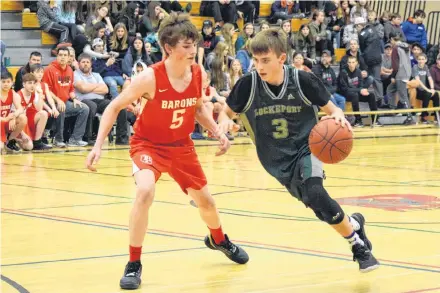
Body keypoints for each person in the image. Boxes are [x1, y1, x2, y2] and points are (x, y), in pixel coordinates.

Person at [85, 13, 249, 290]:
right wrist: (98, 146)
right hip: (148, 144)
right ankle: (134, 263)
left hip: (182, 146)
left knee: (207, 202)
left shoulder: (198, 73)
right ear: (168, 48)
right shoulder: (149, 77)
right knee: (145, 190)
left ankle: (218, 239)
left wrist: (217, 131)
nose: (192, 50)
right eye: (185, 46)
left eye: (193, 44)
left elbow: (197, 108)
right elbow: (113, 107)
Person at [218, 28, 380, 272]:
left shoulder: (303, 80)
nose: (259, 66)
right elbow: (225, 113)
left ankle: (358, 247)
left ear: (281, 58)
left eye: (265, 60)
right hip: (274, 160)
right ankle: (353, 223)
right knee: (318, 206)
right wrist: (224, 124)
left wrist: (339, 118)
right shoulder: (247, 85)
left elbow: (332, 109)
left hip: (308, 149)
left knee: (316, 193)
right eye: (256, 60)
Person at [0, 70, 32, 153]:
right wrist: (6, 119)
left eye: (8, 82)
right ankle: (3, 142)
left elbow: (20, 108)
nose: (6, 84)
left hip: (6, 122)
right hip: (2, 121)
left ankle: (10, 141)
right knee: (0, 148)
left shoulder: (13, 93)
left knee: (23, 118)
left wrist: (13, 116)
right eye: (3, 82)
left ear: (12, 83)